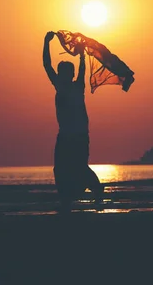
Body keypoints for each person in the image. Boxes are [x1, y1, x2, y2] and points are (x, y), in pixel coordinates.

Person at [43, 31, 104, 210]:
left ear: (69, 74)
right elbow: (47, 65)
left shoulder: (77, 86)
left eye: (64, 72)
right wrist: (46, 43)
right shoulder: (60, 86)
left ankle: (96, 190)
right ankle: (66, 198)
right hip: (66, 135)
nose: (60, 74)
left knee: (79, 167)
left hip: (78, 135)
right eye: (60, 72)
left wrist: (83, 56)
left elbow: (82, 70)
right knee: (61, 167)